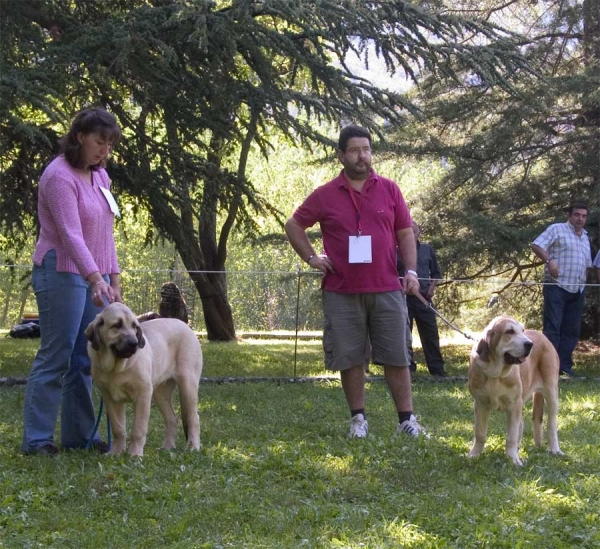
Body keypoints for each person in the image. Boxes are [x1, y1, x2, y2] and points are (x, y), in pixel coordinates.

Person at [284, 124, 428, 439]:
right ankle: (358, 421)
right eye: (354, 150)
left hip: (387, 287)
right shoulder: (324, 194)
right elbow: (293, 224)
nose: (361, 156)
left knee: (397, 355)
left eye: (366, 149)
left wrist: (413, 271)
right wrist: (311, 257)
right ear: (341, 156)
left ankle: (407, 420)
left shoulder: (390, 189)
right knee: (349, 357)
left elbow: (405, 232)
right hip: (341, 292)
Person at [22, 107, 122, 456]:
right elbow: (70, 235)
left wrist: (114, 280)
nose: (104, 150)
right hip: (60, 270)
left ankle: (79, 436)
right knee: (58, 353)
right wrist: (95, 277)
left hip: (93, 275)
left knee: (85, 354)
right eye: (99, 141)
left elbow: (105, 236)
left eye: (109, 144)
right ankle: (37, 440)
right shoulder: (58, 176)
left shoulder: (101, 177)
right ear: (80, 136)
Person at [531, 203, 592, 377]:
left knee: (571, 330)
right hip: (556, 286)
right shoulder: (556, 229)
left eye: (583, 216)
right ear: (570, 215)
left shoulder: (585, 237)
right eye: (577, 215)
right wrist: (549, 261)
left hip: (577, 289)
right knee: (553, 328)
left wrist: (584, 284)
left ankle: (564, 366)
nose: (580, 219)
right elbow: (536, 245)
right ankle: (547, 367)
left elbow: (587, 264)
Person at [397, 221, 447, 377]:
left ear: (419, 232)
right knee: (405, 335)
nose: (411, 233)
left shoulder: (427, 250)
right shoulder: (395, 250)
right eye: (408, 230)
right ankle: (408, 370)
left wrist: (432, 288)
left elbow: (436, 274)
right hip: (403, 298)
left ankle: (437, 370)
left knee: (430, 335)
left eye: (414, 230)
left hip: (424, 299)